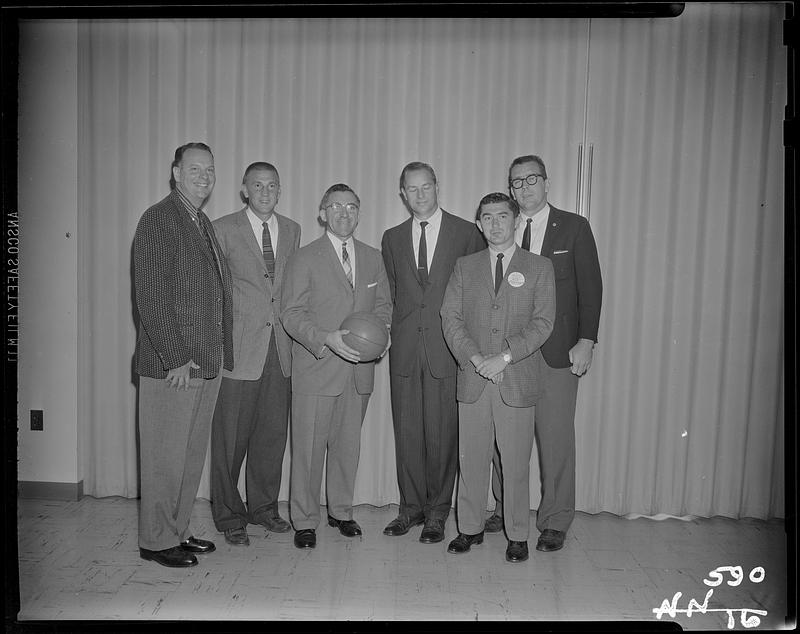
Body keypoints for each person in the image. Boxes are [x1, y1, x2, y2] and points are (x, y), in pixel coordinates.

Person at [487, 154, 602, 552]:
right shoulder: (502, 226)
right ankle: (504, 510)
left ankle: (554, 520)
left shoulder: (573, 227)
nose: (524, 188)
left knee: (555, 440)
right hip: (512, 354)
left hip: (557, 354)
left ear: (547, 183)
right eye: (516, 182)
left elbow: (591, 288)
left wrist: (586, 340)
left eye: (531, 179)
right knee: (507, 439)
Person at [133, 142, 233, 567]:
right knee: (164, 458)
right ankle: (156, 541)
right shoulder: (159, 219)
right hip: (172, 366)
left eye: (210, 169)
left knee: (189, 457)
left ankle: (177, 529)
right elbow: (151, 298)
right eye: (195, 169)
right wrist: (174, 357)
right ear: (176, 172)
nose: (204, 176)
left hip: (205, 363)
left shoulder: (200, 221)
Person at [441, 192, 554, 563]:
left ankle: (517, 533)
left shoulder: (539, 267)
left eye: (502, 216)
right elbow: (451, 318)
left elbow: (543, 324)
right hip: (473, 379)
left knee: (515, 463)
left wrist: (504, 356)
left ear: (516, 220)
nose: (495, 224)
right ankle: (469, 529)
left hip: (515, 379)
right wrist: (475, 358)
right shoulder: (464, 266)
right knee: (470, 459)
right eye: (487, 217)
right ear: (478, 223)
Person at [281, 183, 392, 550]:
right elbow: (291, 314)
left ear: (359, 212)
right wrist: (325, 338)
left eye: (351, 207)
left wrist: (384, 334)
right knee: (309, 450)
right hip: (318, 367)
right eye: (336, 207)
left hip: (359, 372)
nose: (344, 214)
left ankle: (341, 511)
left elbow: (384, 308)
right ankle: (305, 519)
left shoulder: (373, 257)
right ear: (323, 213)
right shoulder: (305, 257)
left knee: (348, 447)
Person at [380, 162, 484, 544]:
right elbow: (392, 294)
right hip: (405, 350)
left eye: (426, 187)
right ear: (402, 194)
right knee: (407, 433)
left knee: (442, 435)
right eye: (412, 189)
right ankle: (410, 509)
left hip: (447, 350)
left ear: (437, 187)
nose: (420, 194)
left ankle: (438, 513)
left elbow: (475, 295)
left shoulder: (466, 233)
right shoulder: (391, 238)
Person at [209, 162, 301, 546]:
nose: (265, 192)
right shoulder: (222, 228)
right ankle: (230, 515)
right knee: (230, 439)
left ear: (280, 191)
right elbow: (212, 290)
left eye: (272, 186)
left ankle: (263, 507)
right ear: (244, 189)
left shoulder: (293, 230)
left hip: (279, 351)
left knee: (271, 435)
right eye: (258, 186)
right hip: (239, 350)